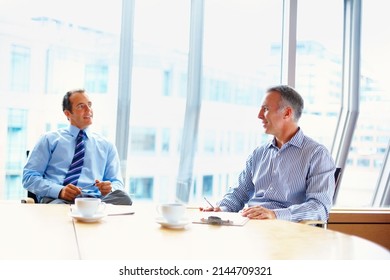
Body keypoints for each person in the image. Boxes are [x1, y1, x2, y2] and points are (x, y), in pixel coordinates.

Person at [201, 85, 335, 222]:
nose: (259, 115)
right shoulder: (259, 153)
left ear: (287, 113)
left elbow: (320, 207)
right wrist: (222, 209)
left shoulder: (317, 154)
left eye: (265, 109)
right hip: (250, 227)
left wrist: (275, 215)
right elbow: (238, 194)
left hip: (287, 233)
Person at [23, 88, 132, 205]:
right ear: (67, 113)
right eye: (81, 106)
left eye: (89, 105)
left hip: (96, 201)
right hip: (58, 199)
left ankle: (91, 210)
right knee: (60, 209)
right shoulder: (49, 139)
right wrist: (60, 191)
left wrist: (110, 188)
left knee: (123, 198)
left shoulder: (107, 145)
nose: (89, 110)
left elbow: (117, 182)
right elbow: (29, 178)